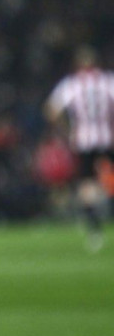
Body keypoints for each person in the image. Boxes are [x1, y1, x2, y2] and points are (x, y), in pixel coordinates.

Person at [44, 45, 114, 252]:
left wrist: (66, 131)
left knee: (87, 185)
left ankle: (94, 231)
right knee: (104, 181)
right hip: (107, 138)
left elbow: (51, 109)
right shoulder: (107, 81)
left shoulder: (72, 84)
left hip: (82, 140)